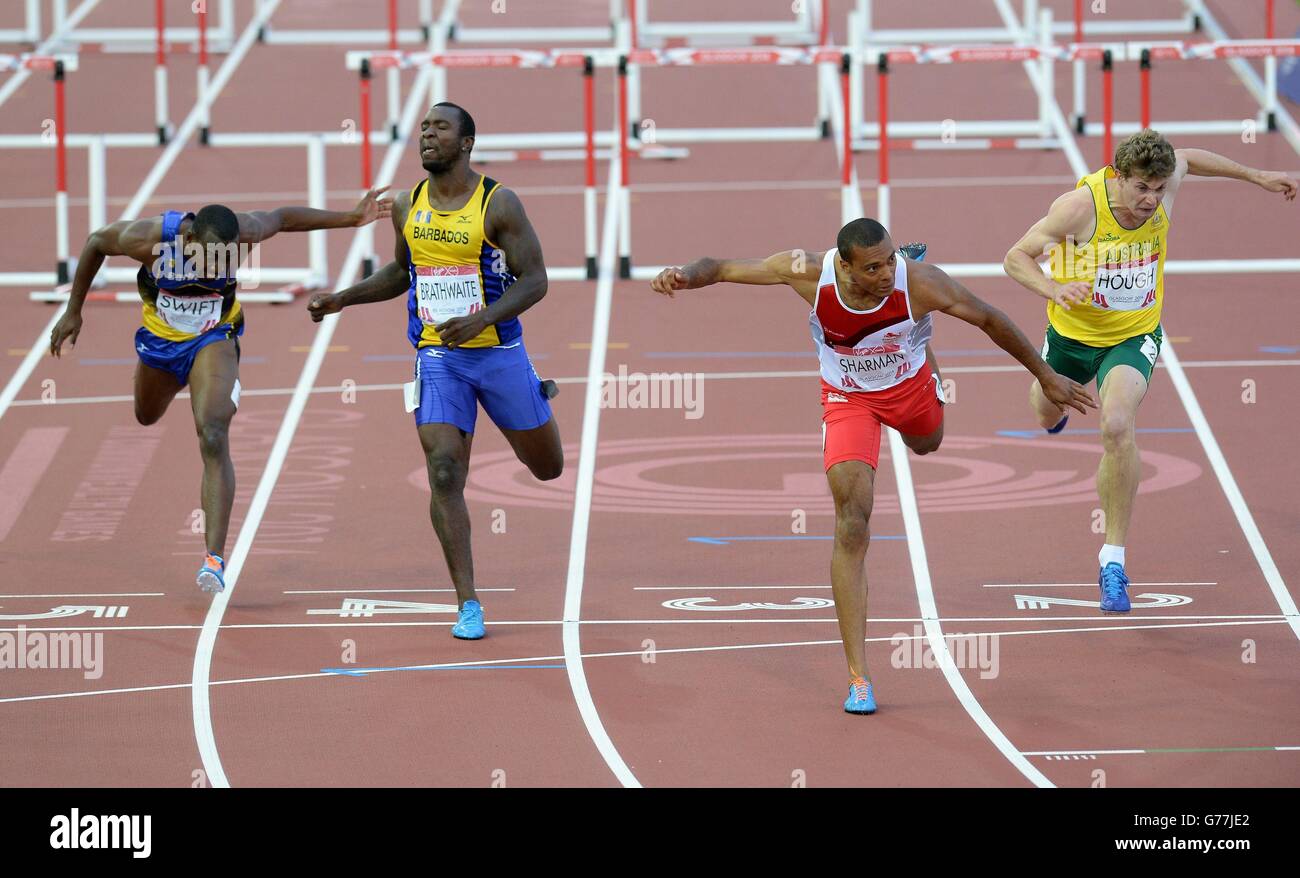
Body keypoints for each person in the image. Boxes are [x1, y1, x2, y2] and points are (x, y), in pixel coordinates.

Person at [652, 220, 1095, 714]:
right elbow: (726, 267)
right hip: (846, 399)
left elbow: (990, 318)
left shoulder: (920, 281)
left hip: (909, 389)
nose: (887, 274)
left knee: (926, 445)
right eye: (873, 267)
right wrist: (685, 275)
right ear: (843, 265)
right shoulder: (806, 274)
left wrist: (1046, 375)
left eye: (890, 261)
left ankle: (925, 355)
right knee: (852, 524)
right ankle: (859, 677)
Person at [1004, 129, 1296, 614]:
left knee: (1117, 424)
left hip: (1133, 336)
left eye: (1159, 190)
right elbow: (1015, 257)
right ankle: (1053, 407)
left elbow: (1190, 159)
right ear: (1118, 177)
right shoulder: (1078, 207)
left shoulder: (1164, 186)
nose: (1150, 201)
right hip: (1072, 338)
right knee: (1042, 408)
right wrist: (1053, 288)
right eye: (1141, 189)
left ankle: (1112, 560)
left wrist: (1255, 175)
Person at [307, 102, 562, 641]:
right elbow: (403, 272)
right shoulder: (408, 205)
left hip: (497, 353)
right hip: (438, 356)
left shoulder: (499, 204)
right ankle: (469, 603)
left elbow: (535, 279)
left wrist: (484, 319)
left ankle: (535, 393)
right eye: (423, 127)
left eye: (440, 128)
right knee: (444, 469)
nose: (427, 135)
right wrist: (343, 298)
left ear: (466, 143)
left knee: (548, 468)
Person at [48, 192, 391, 592]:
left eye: (223, 258)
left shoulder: (242, 232)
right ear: (189, 239)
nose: (215, 265)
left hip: (214, 338)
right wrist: (74, 310)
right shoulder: (148, 238)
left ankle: (213, 559)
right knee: (145, 415)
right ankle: (173, 377)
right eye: (208, 256)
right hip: (161, 343)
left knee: (212, 433)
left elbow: (282, 217)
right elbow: (94, 242)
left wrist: (350, 218)